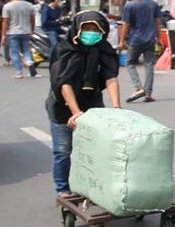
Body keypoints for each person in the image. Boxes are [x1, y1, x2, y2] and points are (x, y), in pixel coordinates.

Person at [45, 10, 121, 197]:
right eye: (86, 28)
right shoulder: (64, 48)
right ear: (77, 28)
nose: (91, 32)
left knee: (96, 149)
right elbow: (64, 82)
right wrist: (75, 112)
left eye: (95, 28)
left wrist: (117, 107)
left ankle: (92, 186)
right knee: (63, 151)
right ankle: (62, 189)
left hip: (92, 103)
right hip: (63, 107)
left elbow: (111, 77)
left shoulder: (104, 49)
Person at [118, 0, 162, 103]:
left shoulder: (129, 5)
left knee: (130, 63)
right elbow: (158, 22)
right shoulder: (153, 4)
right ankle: (148, 93)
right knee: (149, 65)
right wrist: (159, 38)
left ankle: (138, 87)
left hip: (135, 39)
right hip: (150, 39)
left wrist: (121, 41)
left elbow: (126, 24)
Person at [1, 0, 37, 78]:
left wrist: (3, 35)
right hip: (26, 31)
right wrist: (32, 30)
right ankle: (29, 62)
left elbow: (5, 21)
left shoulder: (7, 6)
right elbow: (32, 19)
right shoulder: (29, 5)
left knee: (15, 52)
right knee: (26, 50)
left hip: (13, 32)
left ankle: (19, 72)